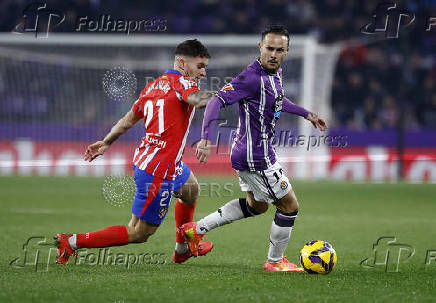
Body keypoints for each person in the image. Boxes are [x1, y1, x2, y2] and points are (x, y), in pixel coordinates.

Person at [55, 39, 217, 265]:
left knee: (190, 191)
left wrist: (105, 142)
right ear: (182, 62)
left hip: (155, 158)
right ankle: (71, 242)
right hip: (158, 168)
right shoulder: (183, 83)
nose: (203, 72)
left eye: (205, 67)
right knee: (139, 232)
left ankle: (182, 248)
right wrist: (224, 96)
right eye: (199, 66)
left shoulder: (154, 85)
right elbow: (196, 99)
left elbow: (127, 120)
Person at [181, 26, 328, 271]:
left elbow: (279, 100)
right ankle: (275, 262)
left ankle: (196, 230)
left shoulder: (274, 74)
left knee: (256, 206)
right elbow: (215, 101)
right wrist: (206, 138)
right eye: (269, 48)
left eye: (279, 50)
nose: (273, 54)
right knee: (290, 206)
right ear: (260, 47)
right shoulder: (251, 77)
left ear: (286, 51)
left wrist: (307, 114)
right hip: (256, 156)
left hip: (247, 152)